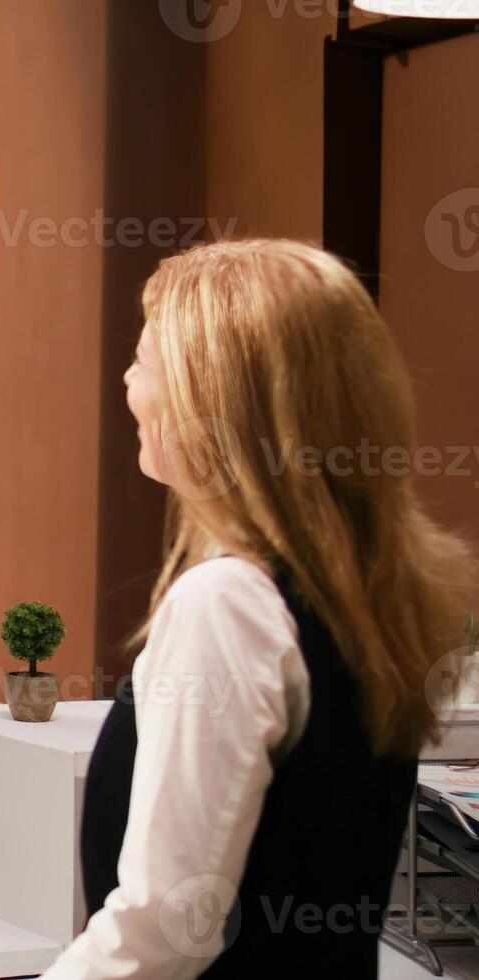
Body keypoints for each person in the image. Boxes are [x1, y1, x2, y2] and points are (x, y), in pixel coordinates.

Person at [43, 239, 474, 978]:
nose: (126, 382)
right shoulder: (377, 598)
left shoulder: (226, 604)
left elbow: (165, 931)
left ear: (214, 398)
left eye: (145, 360)